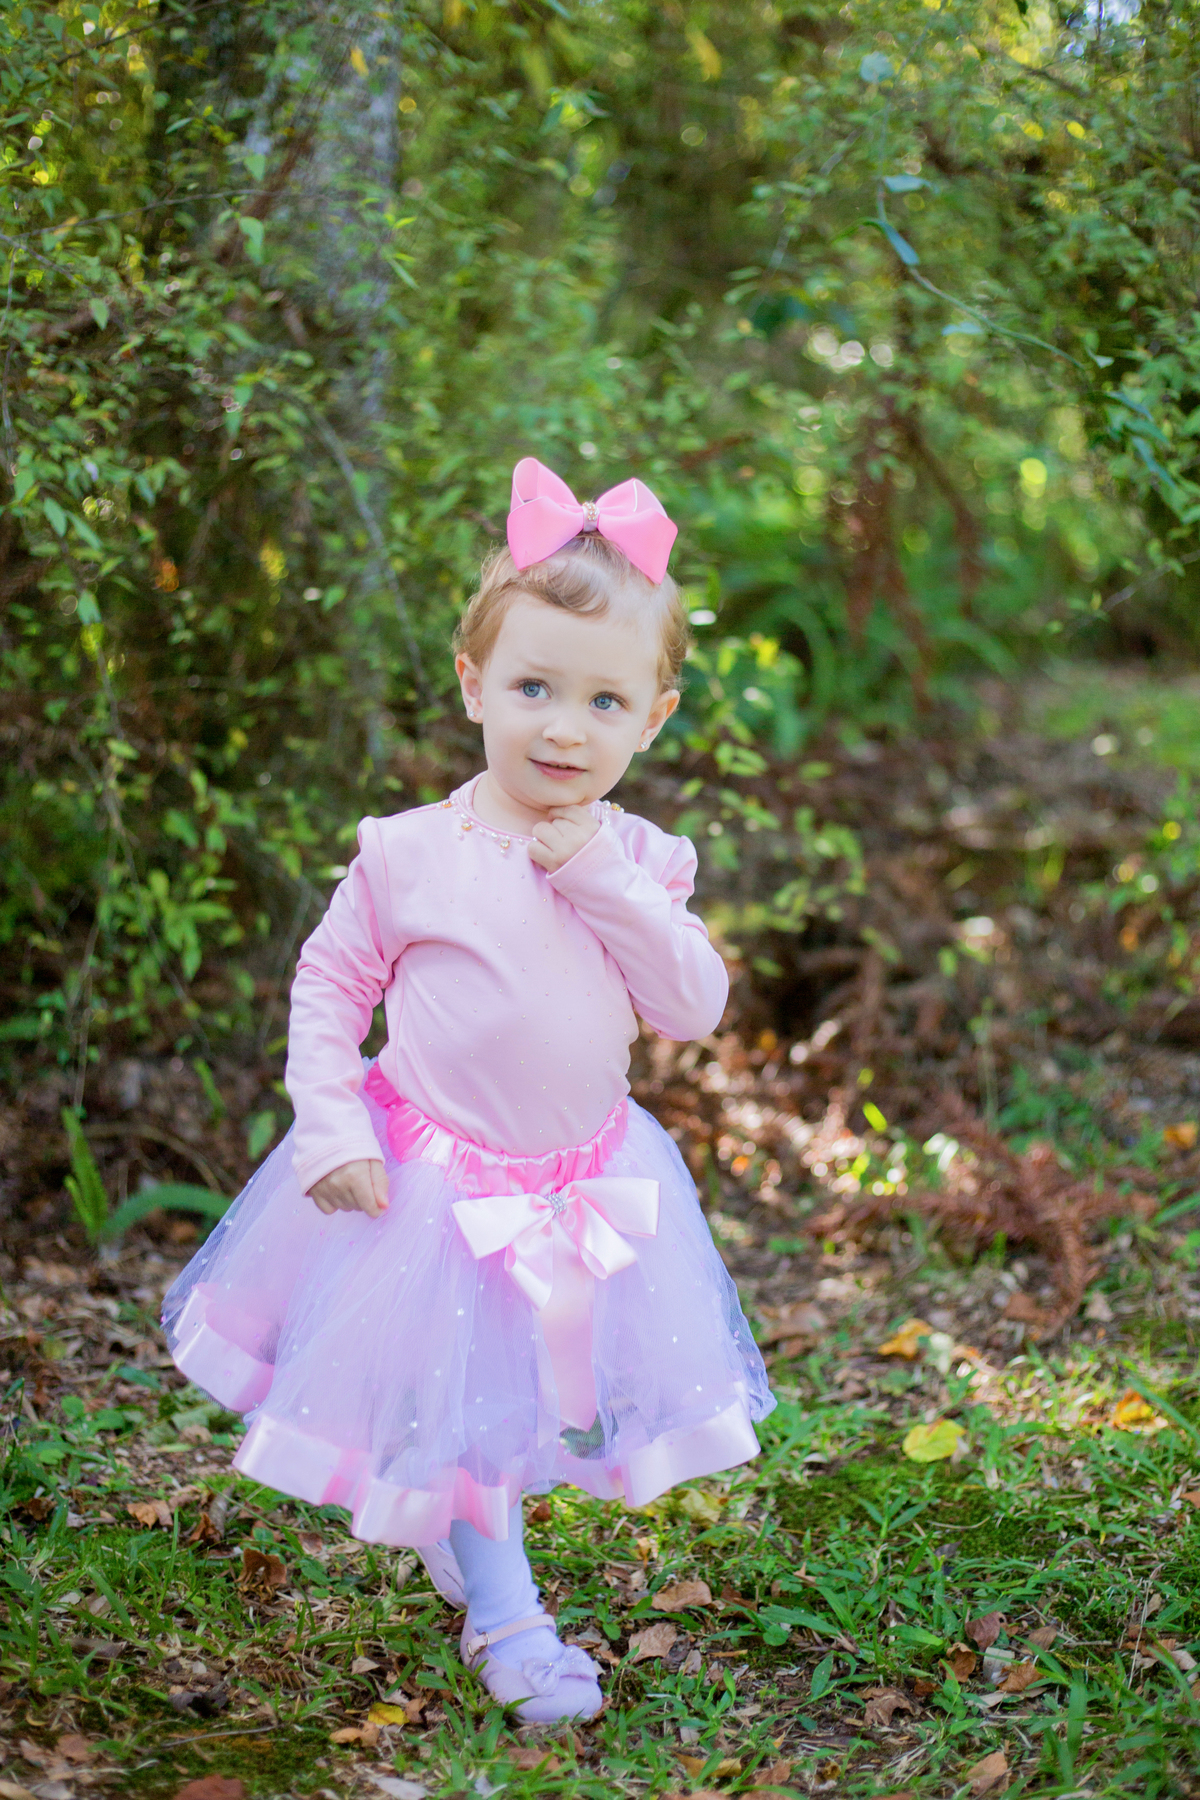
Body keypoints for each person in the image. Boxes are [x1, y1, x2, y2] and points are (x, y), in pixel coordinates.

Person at [162, 457, 774, 1724]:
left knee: (512, 1396)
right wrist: (329, 1123)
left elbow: (694, 1006)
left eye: (603, 701)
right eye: (534, 688)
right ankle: (508, 1620)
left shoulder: (645, 857)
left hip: (586, 1175)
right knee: (466, 1393)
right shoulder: (409, 852)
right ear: (473, 686)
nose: (563, 727)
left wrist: (600, 874)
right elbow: (330, 989)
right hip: (434, 1181)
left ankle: (458, 1515)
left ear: (651, 719)